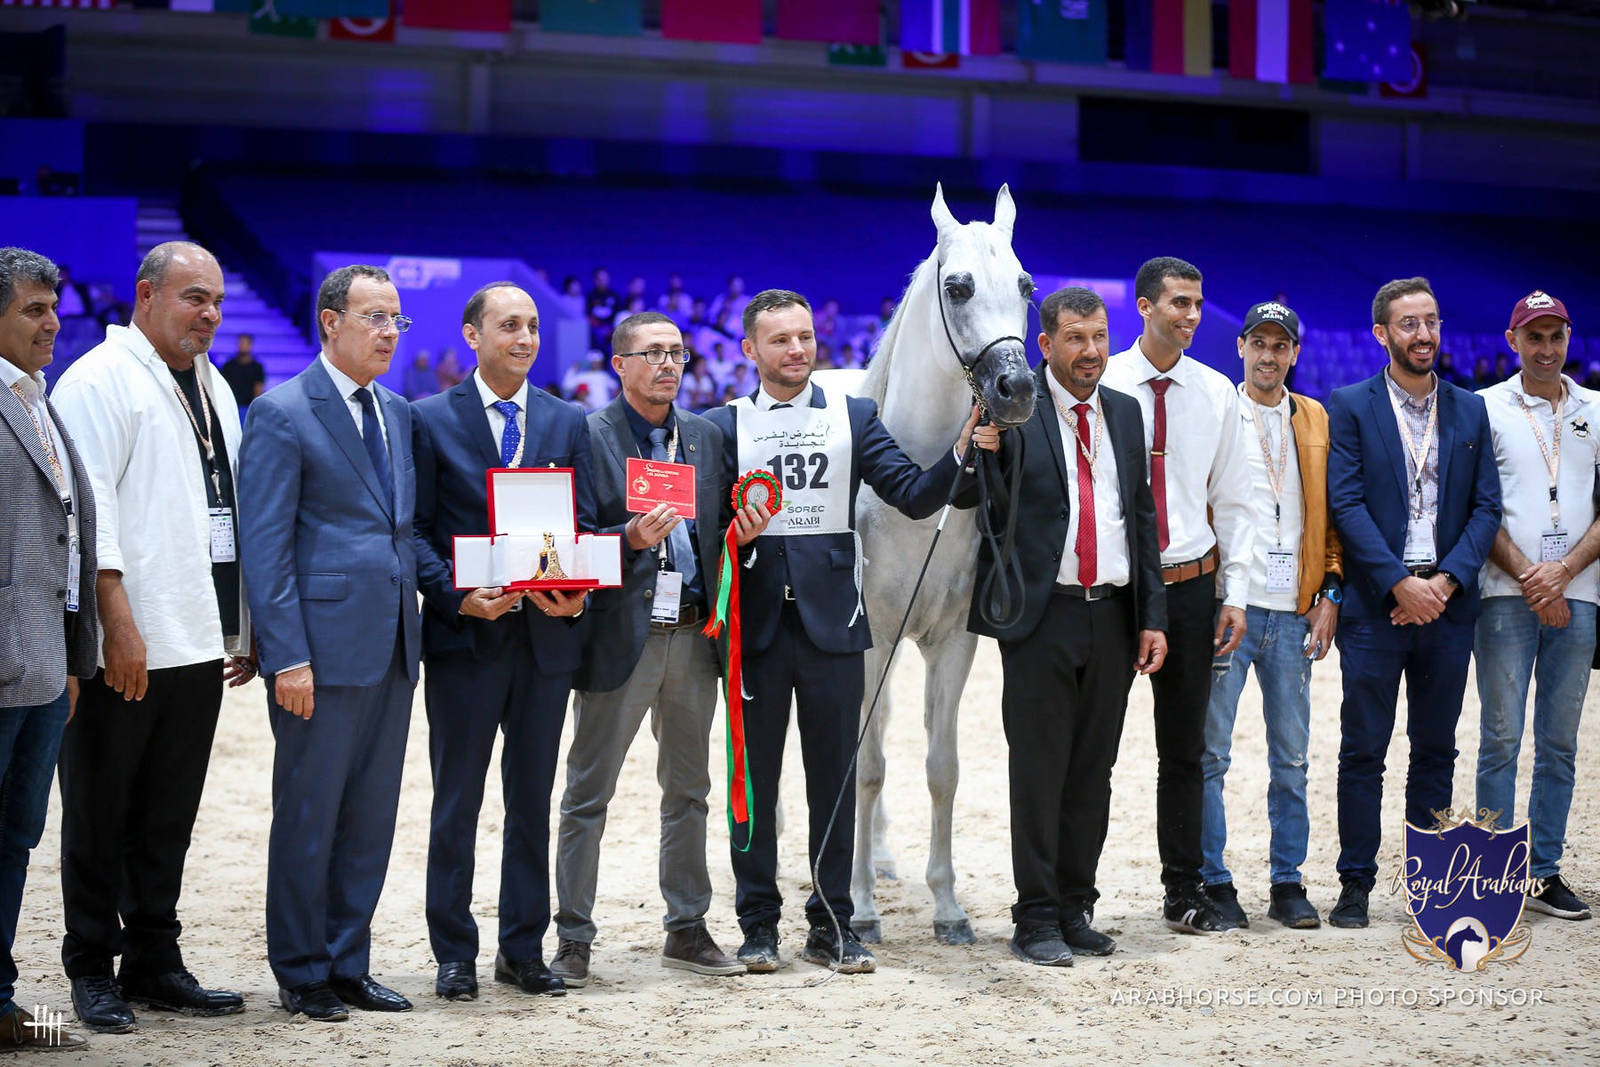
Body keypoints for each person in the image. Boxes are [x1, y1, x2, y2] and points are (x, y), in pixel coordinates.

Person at [703, 289, 991, 975]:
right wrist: (729, 536)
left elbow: (914, 494)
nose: (797, 349)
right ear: (750, 350)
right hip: (758, 626)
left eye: (805, 336)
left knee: (834, 780)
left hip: (835, 625)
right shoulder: (724, 426)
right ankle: (759, 925)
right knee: (755, 781)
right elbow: (706, 525)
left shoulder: (853, 416)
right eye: (780, 340)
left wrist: (956, 454)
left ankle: (832, 924)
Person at [50, 241, 250, 1033]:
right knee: (100, 809)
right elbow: (85, 515)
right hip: (126, 641)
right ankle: (92, 965)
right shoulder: (99, 380)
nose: (208, 314)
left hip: (197, 635)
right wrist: (115, 626)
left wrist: (243, 625)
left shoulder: (215, 386)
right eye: (193, 298)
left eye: (217, 303)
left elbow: (226, 510)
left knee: (169, 812)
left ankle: (156, 960)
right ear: (145, 295)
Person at [552, 311, 768, 987]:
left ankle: (687, 925)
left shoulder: (705, 435)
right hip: (625, 634)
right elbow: (572, 535)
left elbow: (719, 536)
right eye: (652, 353)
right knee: (589, 792)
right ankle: (574, 936)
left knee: (690, 789)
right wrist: (629, 539)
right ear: (619, 364)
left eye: (676, 353)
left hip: (695, 635)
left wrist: (747, 531)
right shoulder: (590, 435)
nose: (668, 364)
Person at [238, 264, 421, 1022]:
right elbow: (265, 544)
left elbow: (401, 530)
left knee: (371, 816)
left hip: (392, 648)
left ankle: (349, 959)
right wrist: (287, 655)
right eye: (375, 317)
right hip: (319, 650)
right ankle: (302, 967)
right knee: (311, 814)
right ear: (330, 322)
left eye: (396, 320)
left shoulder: (398, 412)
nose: (388, 333)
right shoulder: (282, 412)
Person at [964, 287, 1164, 966]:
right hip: (1041, 615)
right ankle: (1036, 915)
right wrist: (978, 447)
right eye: (1075, 338)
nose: (1091, 351)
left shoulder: (1128, 413)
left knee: (1093, 772)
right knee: (1040, 770)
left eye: (1100, 336)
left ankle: (1078, 905)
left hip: (1111, 613)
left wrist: (1151, 617)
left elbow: (1141, 520)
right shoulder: (1014, 410)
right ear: (1044, 344)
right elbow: (978, 502)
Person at [410, 283, 592, 1002]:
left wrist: (576, 588)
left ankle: (523, 948)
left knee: (531, 801)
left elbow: (579, 523)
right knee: (456, 803)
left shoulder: (565, 419)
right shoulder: (428, 420)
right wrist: (458, 597)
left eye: (533, 326)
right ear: (471, 335)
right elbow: (417, 533)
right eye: (508, 325)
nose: (523, 337)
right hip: (466, 642)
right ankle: (454, 952)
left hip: (545, 642)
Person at [1325, 276, 1500, 928]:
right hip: (1377, 606)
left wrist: (1445, 583)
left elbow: (1486, 508)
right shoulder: (1350, 403)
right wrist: (1402, 583)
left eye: (1431, 321)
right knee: (1363, 749)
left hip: (1448, 606)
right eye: (1408, 324)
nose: (1423, 334)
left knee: (1435, 748)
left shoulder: (1469, 408)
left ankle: (1430, 886)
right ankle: (1355, 883)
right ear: (1382, 333)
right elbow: (1346, 502)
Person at [1099, 256, 1254, 934]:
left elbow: (1235, 502)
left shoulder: (1219, 392)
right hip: (1114, 589)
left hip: (1192, 585)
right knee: (1092, 749)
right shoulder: (1101, 383)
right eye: (1179, 303)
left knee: (1185, 749)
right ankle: (1076, 894)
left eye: (1197, 304)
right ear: (1144, 305)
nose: (1191, 316)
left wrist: (1236, 593)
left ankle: (1184, 891)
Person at [1200, 301, 1343, 931]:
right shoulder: (1216, 412)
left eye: (1280, 345)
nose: (1268, 355)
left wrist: (1331, 590)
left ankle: (1287, 881)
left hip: (1293, 611)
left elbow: (1332, 513)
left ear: (1294, 354)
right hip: (1229, 606)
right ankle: (1215, 880)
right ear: (1241, 348)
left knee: (1291, 758)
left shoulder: (1313, 417)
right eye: (1258, 342)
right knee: (1211, 756)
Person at [0, 248, 96, 1052]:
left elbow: (67, 538)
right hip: (1, 661)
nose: (52, 323)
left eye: (53, 308)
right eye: (34, 310)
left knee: (15, 836)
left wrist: (70, 654)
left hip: (40, 664)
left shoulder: (41, 402)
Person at [1475, 290, 1597, 921]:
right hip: (1503, 595)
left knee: (1559, 742)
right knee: (1499, 736)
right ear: (1512, 340)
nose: (1546, 349)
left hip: (1580, 593)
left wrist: (1564, 572)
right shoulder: (1484, 409)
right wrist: (1530, 577)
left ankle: (1544, 871)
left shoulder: (1597, 409)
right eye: (1534, 337)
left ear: (1568, 339)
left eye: (1556, 336)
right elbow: (1477, 509)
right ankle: (1493, 874)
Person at [219, 332, 265, 410]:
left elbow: (258, 388)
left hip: (249, 407)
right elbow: (223, 386)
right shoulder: (229, 365)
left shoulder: (257, 367)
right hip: (231, 406)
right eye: (240, 342)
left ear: (250, 345)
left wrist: (255, 408)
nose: (242, 345)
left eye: (244, 343)